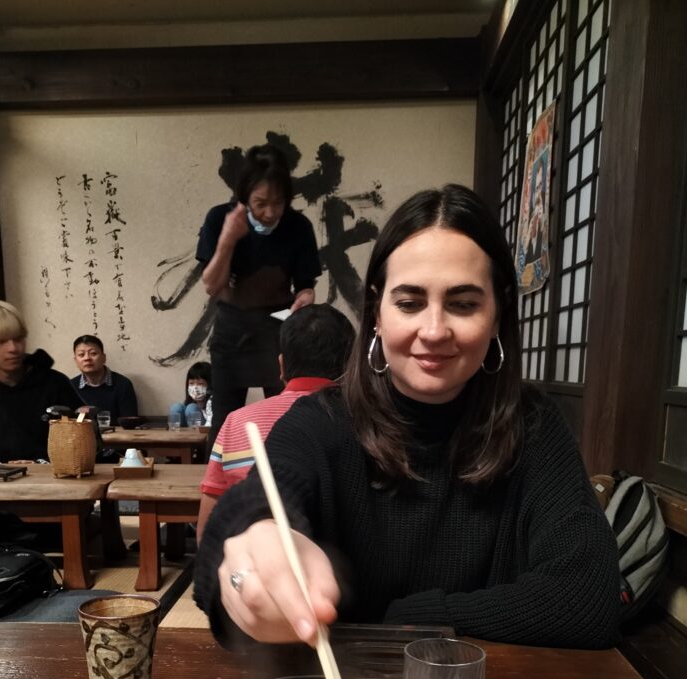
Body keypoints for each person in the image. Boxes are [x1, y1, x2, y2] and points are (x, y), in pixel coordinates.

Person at [194, 184, 621, 651]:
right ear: (376, 312)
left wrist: (413, 618)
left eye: (463, 303)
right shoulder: (322, 421)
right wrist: (254, 548)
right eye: (409, 302)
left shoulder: (531, 425)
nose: (434, 330)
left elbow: (588, 596)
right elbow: (252, 507)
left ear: (497, 316)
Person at [196, 304, 354, 542]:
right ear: (352, 364)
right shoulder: (367, 423)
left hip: (251, 571)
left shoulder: (236, 423)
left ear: (281, 365)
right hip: (343, 574)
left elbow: (208, 533)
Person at [197, 143, 322, 442]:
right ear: (244, 197)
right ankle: (218, 486)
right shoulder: (220, 219)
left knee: (285, 416)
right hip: (231, 329)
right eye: (260, 202)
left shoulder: (298, 226)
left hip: (278, 326)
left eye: (278, 203)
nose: (269, 212)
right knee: (224, 420)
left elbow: (305, 285)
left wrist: (305, 297)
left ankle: (284, 482)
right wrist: (228, 238)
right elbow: (212, 285)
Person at [0, 300, 79, 462]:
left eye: (18, 339)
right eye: (0, 342)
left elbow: (82, 447)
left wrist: (40, 463)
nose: (13, 348)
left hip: (53, 480)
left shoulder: (55, 383)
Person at [71, 334, 138, 426]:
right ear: (75, 361)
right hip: (81, 438)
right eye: (81, 355)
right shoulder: (71, 386)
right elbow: (69, 422)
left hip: (116, 438)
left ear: (104, 358)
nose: (87, 358)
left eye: (93, 353)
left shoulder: (123, 384)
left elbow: (129, 422)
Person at [169, 361, 212, 428]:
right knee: (176, 407)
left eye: (200, 383)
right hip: (184, 434)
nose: (195, 387)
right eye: (191, 383)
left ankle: (195, 437)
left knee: (192, 408)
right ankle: (174, 435)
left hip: (204, 432)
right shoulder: (188, 405)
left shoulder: (212, 402)